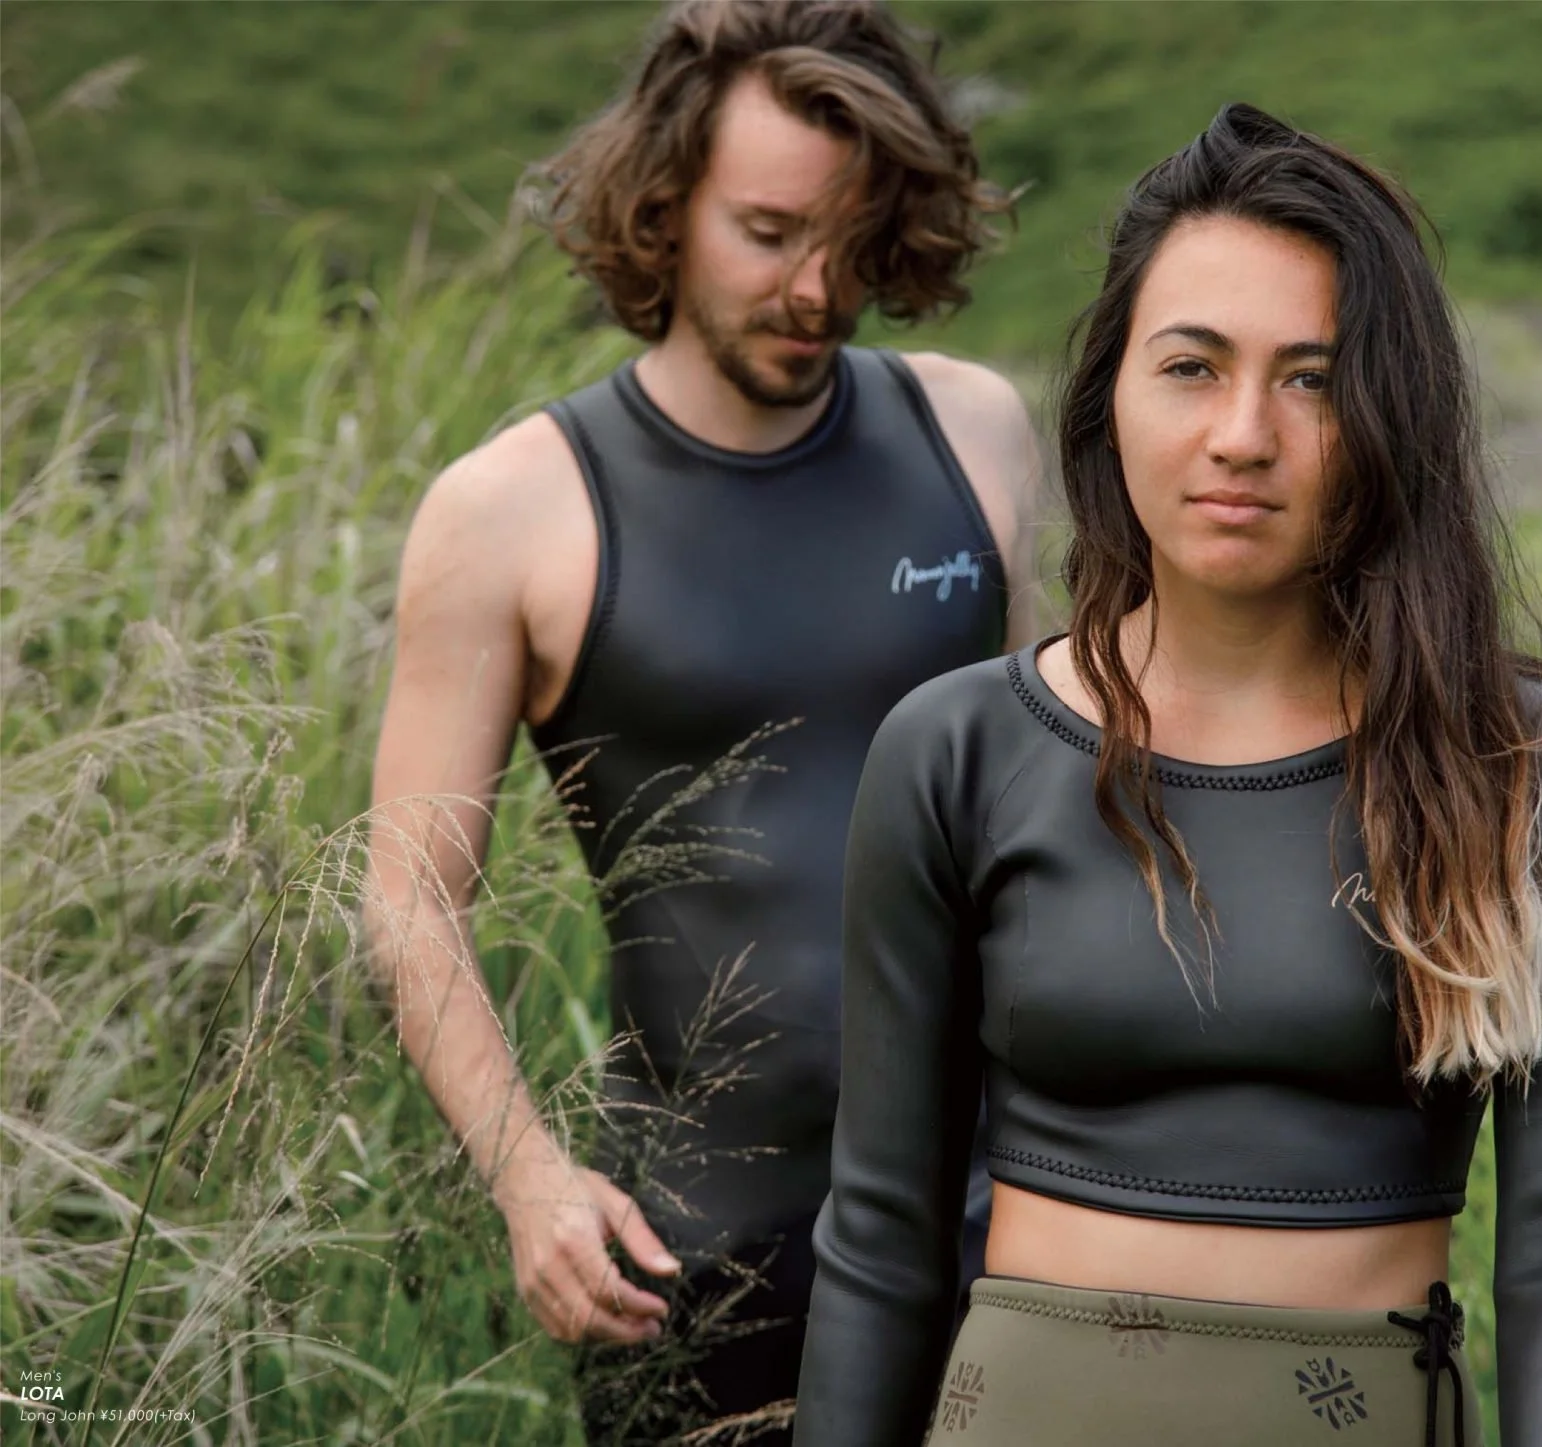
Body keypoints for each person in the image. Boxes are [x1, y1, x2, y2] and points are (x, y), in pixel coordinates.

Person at [795, 103, 1542, 1447]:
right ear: (1111, 395)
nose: (1244, 433)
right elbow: (883, 1235)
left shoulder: (1519, 760)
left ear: (1386, 418)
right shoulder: (956, 749)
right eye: (1191, 367)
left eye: (1310, 378)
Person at [362, 3, 1037, 1443]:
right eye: (771, 231)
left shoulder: (972, 432)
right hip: (699, 1255)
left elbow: (1064, 787)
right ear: (662, 208)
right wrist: (529, 1177)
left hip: (1014, 1221)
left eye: (853, 239)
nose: (817, 285)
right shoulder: (511, 511)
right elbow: (408, 895)